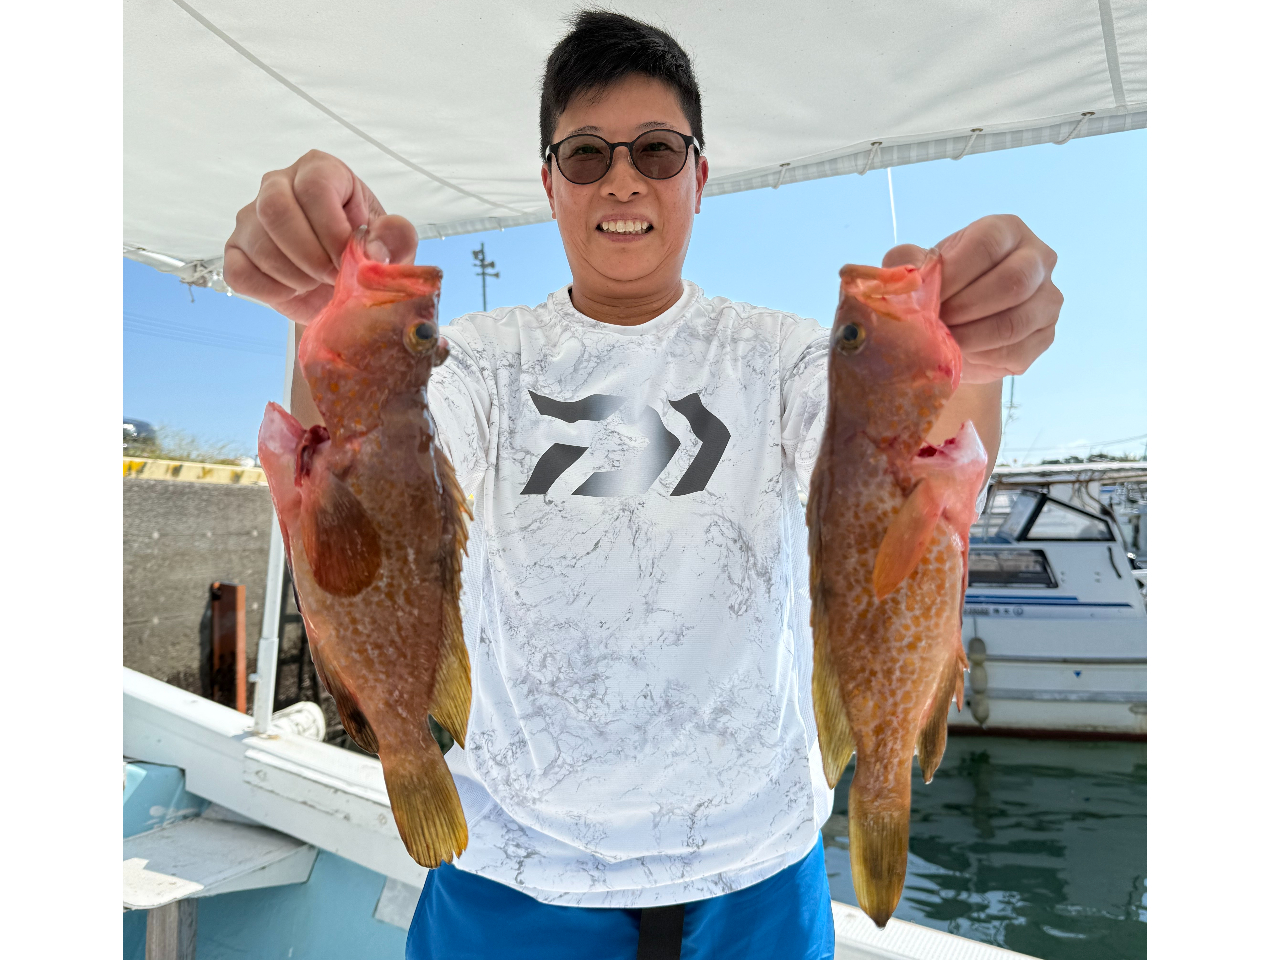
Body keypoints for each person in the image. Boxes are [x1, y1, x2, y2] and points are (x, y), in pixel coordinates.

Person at [225, 11, 1060, 960]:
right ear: (549, 183)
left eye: (657, 151)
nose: (622, 179)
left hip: (757, 870)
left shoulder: (786, 357)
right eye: (585, 155)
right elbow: (369, 466)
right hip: (510, 869)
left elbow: (906, 459)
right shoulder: (478, 362)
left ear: (699, 177)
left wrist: (977, 355)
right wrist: (319, 318)